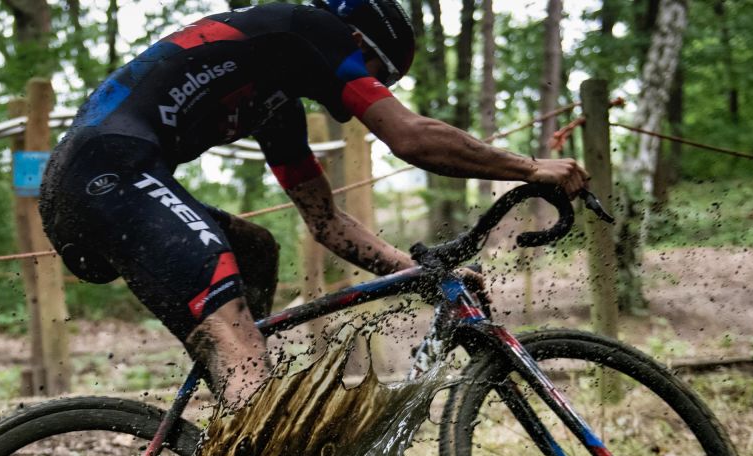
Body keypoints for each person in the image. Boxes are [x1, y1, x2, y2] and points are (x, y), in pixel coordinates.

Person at [39, 0, 589, 407]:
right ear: (354, 39)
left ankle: (234, 421)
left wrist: (421, 272)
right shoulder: (308, 28)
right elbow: (411, 138)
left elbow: (324, 223)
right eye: (374, 74)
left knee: (255, 250)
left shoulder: (274, 101)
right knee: (224, 304)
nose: (367, 92)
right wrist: (531, 167)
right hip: (105, 173)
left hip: (107, 175)